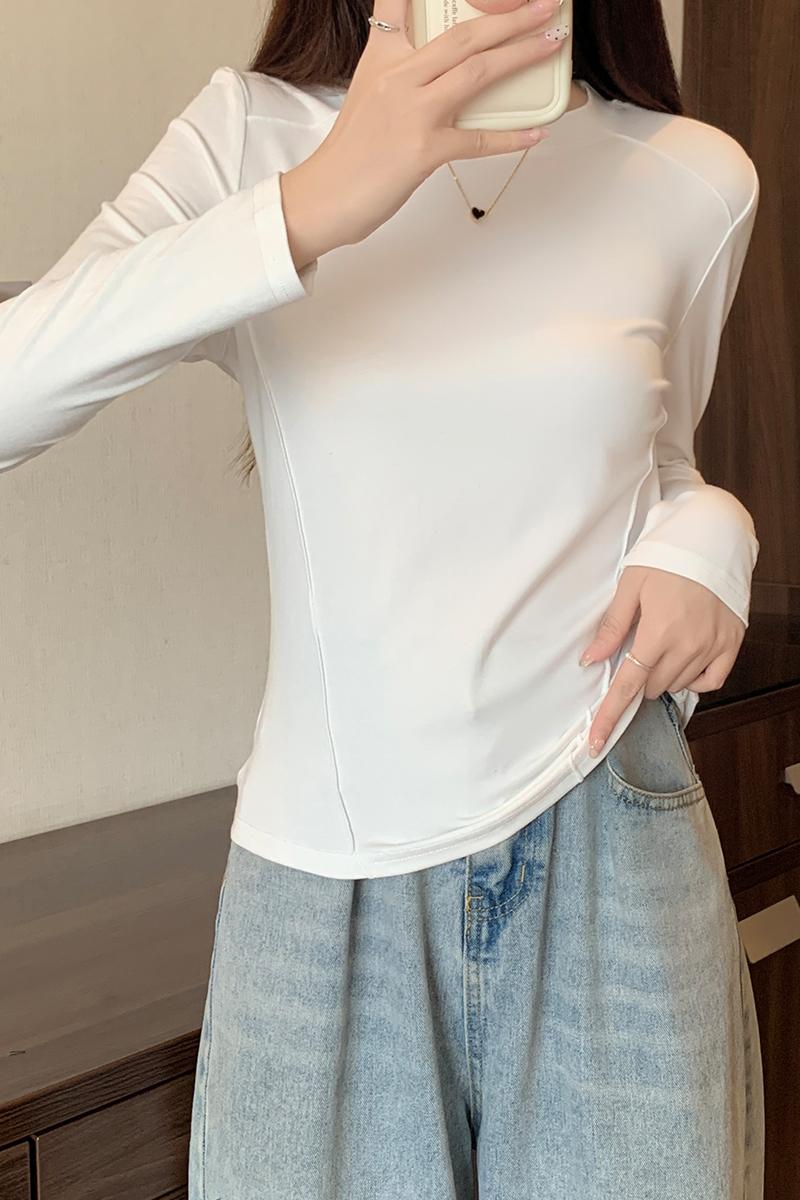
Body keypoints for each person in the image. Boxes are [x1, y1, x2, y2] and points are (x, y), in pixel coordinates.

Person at [0, 0, 765, 1196]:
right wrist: (311, 205)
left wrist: (714, 535)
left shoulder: (690, 176)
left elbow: (649, 460)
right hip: (325, 877)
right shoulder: (249, 136)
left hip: (610, 830)